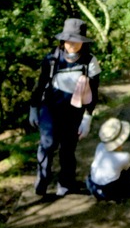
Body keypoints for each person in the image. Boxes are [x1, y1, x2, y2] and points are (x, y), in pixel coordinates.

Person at [29, 18, 101, 196]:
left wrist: (87, 118)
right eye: (69, 40)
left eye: (76, 40)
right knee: (48, 143)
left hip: (74, 110)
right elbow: (41, 84)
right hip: (51, 107)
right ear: (63, 40)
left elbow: (94, 90)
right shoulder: (52, 59)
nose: (72, 44)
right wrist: (33, 108)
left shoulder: (90, 62)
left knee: (68, 148)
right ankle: (42, 180)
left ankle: (66, 183)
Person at [86, 117, 130, 201]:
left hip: (92, 186)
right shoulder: (124, 156)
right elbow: (125, 168)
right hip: (108, 191)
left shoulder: (100, 146)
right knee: (129, 173)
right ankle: (120, 194)